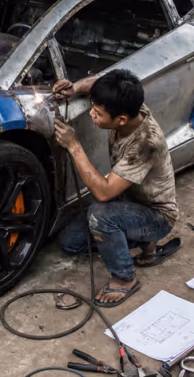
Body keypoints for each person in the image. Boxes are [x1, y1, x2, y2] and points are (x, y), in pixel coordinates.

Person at [52, 70, 180, 307]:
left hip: (157, 216)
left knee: (99, 215)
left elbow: (104, 193)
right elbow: (98, 84)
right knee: (70, 242)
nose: (91, 114)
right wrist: (75, 88)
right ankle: (147, 246)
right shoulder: (131, 107)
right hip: (129, 203)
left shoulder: (145, 144)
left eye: (98, 113)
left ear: (121, 119)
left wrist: (74, 146)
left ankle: (125, 278)